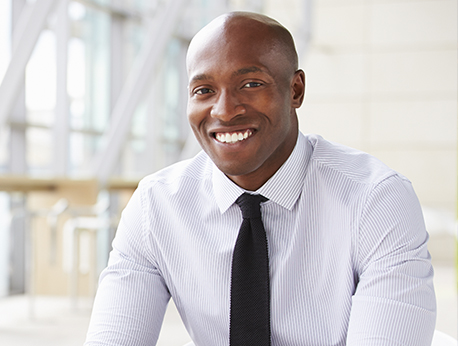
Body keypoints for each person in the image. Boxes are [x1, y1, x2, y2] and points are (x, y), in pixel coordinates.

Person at [84, 11, 436, 346]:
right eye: (204, 90)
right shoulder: (156, 207)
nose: (224, 110)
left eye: (250, 84)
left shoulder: (375, 200)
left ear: (295, 89)